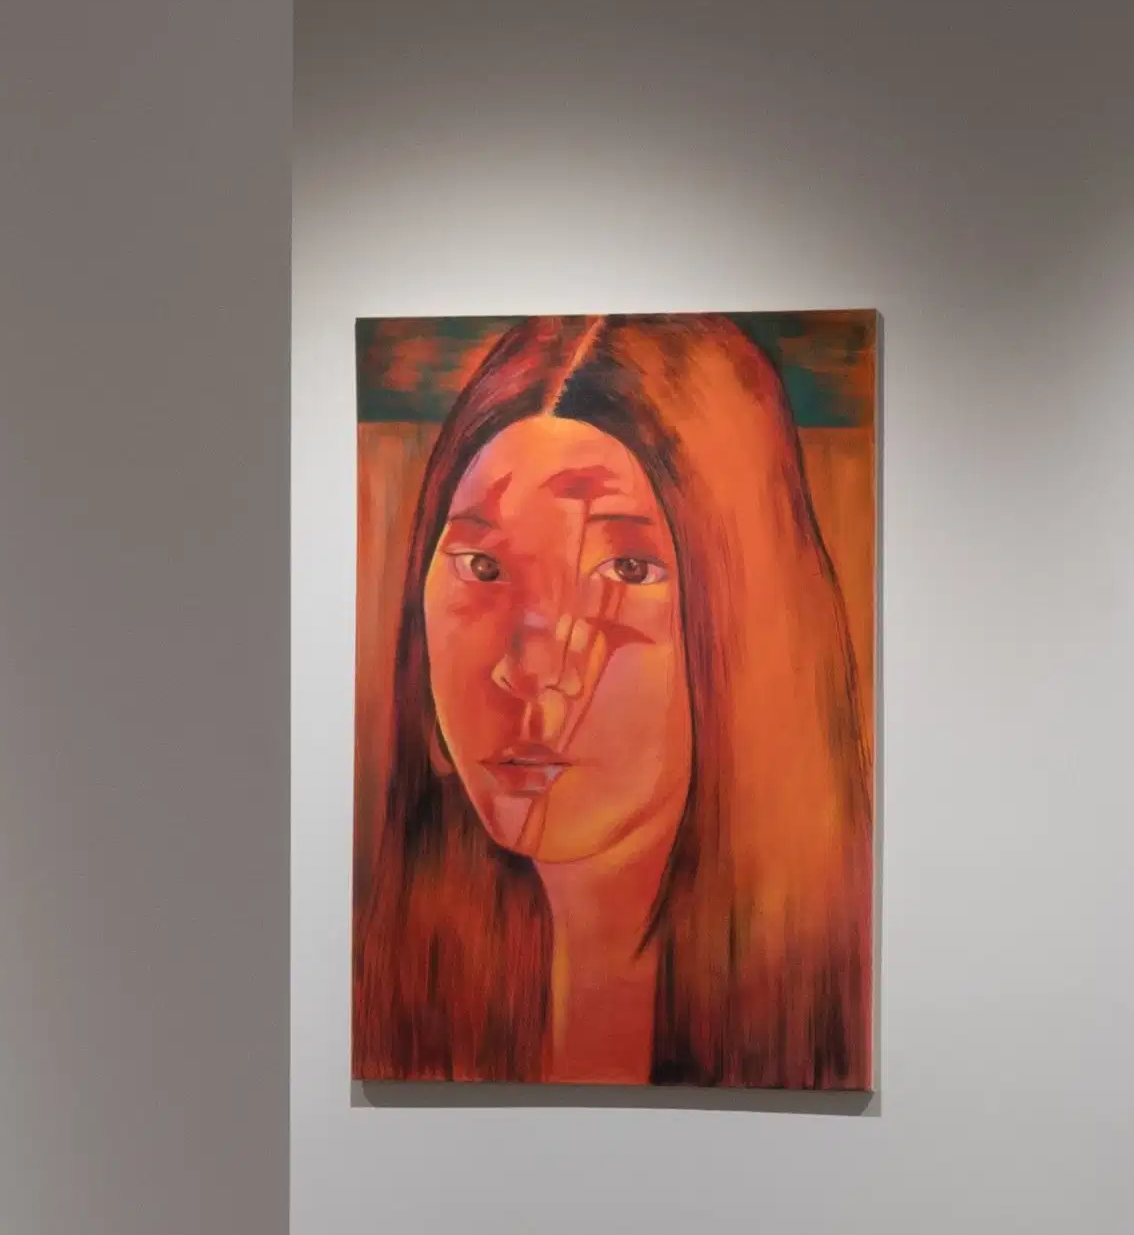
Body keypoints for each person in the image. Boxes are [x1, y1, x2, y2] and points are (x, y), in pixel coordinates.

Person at [359, 317, 872, 1088]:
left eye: (628, 569)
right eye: (481, 566)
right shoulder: (400, 991)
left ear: (749, 608)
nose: (534, 670)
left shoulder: (824, 989)